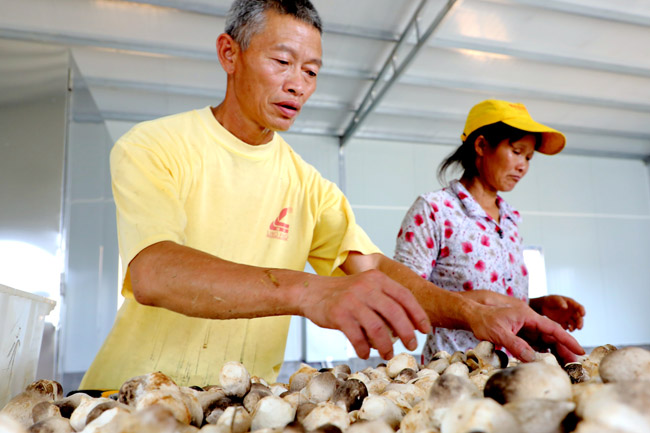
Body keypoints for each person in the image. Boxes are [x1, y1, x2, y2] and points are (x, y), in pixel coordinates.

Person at [80, 2, 584, 390]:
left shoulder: (309, 185)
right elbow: (154, 271)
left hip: (243, 402)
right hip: (129, 393)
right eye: (282, 61)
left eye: (312, 71)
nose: (297, 84)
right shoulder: (155, 145)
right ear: (229, 54)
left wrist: (477, 312)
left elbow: (377, 271)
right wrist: (310, 291)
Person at [394, 99, 586, 363]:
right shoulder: (434, 210)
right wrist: (481, 303)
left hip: (516, 368)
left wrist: (535, 306)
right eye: (517, 152)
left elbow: (502, 301)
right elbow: (402, 299)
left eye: (529, 158)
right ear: (482, 145)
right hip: (456, 372)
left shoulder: (509, 220)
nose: (524, 166)